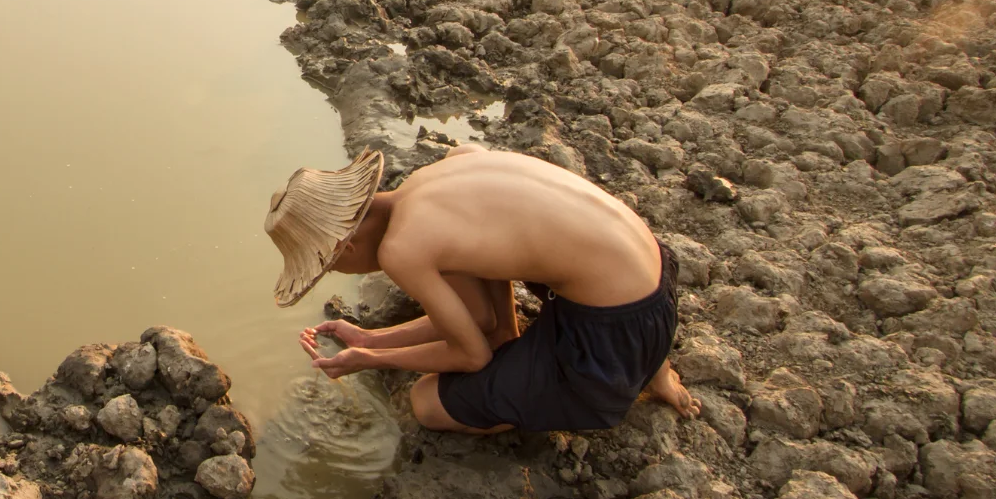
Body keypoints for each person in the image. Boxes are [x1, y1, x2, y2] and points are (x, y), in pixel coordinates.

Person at [264, 144, 697, 434]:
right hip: (656, 278)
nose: (342, 272)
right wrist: (369, 335)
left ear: (346, 246)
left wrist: (372, 359)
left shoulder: (402, 250)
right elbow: (476, 321)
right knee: (504, 290)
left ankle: (630, 373)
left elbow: (472, 356)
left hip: (613, 333)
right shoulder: (448, 165)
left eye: (332, 266)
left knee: (427, 402)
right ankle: (655, 366)